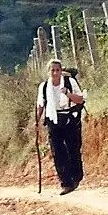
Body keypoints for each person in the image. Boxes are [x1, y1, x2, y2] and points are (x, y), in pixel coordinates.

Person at [35, 59, 85, 195]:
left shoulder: (70, 83)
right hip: (53, 119)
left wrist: (67, 94)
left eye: (57, 70)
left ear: (61, 70)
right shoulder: (44, 87)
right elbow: (41, 105)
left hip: (70, 118)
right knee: (57, 151)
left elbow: (80, 100)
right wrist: (37, 121)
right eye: (52, 70)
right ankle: (66, 183)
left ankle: (76, 177)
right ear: (49, 71)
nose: (55, 73)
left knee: (73, 149)